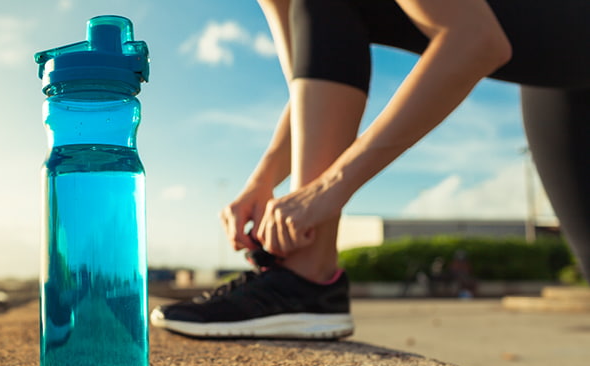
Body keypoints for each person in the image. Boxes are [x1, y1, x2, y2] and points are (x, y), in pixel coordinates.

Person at [151, 0, 590, 339]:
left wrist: (329, 188)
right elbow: (314, 91)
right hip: (556, 77)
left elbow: (476, 40)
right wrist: (264, 178)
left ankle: (307, 277)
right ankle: (307, 279)